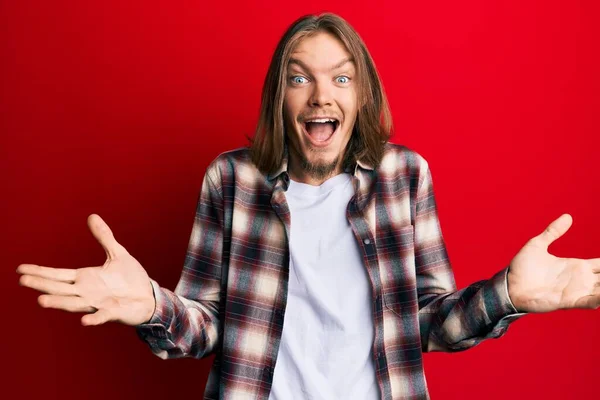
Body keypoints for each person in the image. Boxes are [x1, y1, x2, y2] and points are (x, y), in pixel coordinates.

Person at [16, 12, 600, 400]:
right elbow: (207, 328)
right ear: (280, 95)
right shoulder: (231, 180)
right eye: (301, 79)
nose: (322, 94)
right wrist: (151, 306)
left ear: (362, 94)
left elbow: (428, 324)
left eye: (341, 80)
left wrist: (509, 295)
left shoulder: (405, 176)